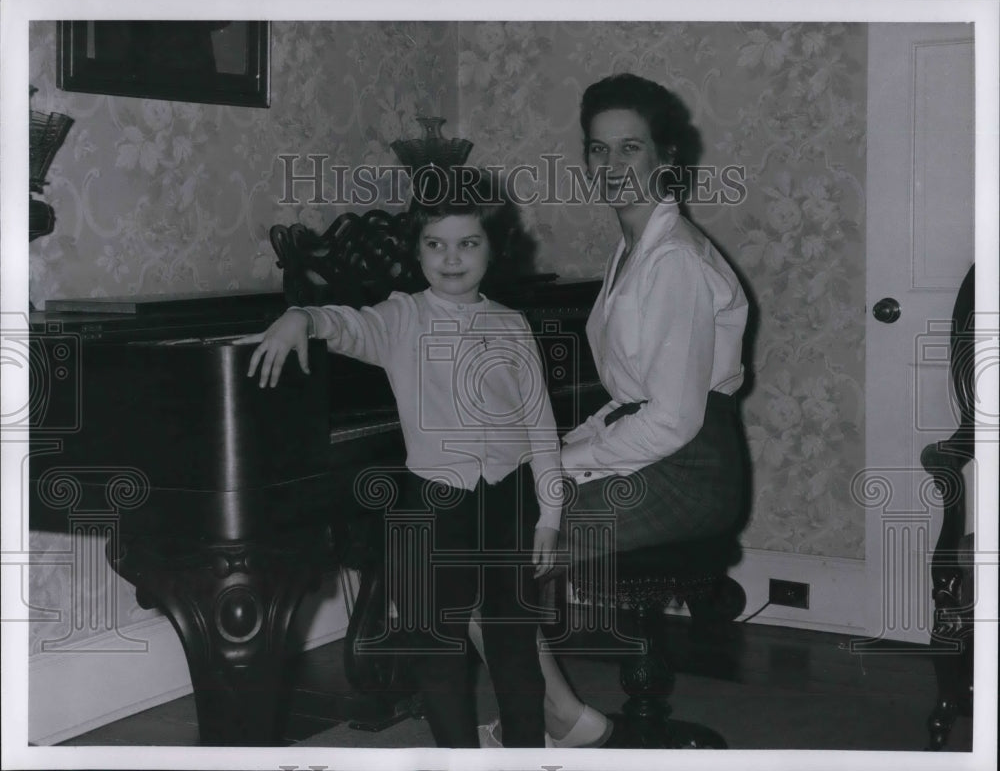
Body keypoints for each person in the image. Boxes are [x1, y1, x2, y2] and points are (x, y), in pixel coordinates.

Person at [240, 168, 560, 748]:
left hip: (509, 504)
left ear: (494, 247)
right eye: (435, 244)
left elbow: (540, 425)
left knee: (515, 649)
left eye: (468, 243)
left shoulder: (512, 326)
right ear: (417, 251)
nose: (451, 258)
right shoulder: (400, 318)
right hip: (435, 507)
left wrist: (551, 514)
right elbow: (344, 324)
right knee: (436, 652)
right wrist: (302, 316)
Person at [517, 72, 751, 745]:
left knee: (487, 543)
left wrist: (558, 461)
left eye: (631, 148)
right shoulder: (633, 247)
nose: (612, 167)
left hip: (689, 468)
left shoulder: (672, 258)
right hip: (667, 452)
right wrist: (554, 452)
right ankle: (564, 715)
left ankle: (563, 718)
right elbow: (631, 401)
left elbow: (673, 419)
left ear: (666, 157)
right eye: (598, 150)